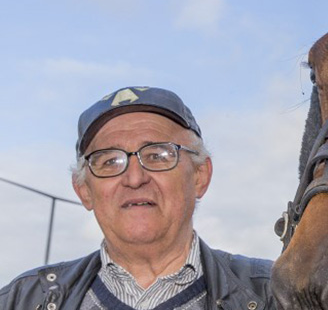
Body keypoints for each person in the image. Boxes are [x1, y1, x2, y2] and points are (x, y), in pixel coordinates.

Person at [0, 86, 275, 310]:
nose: (134, 178)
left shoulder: (280, 295)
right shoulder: (21, 300)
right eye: (109, 161)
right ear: (83, 190)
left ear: (200, 175)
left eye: (157, 156)